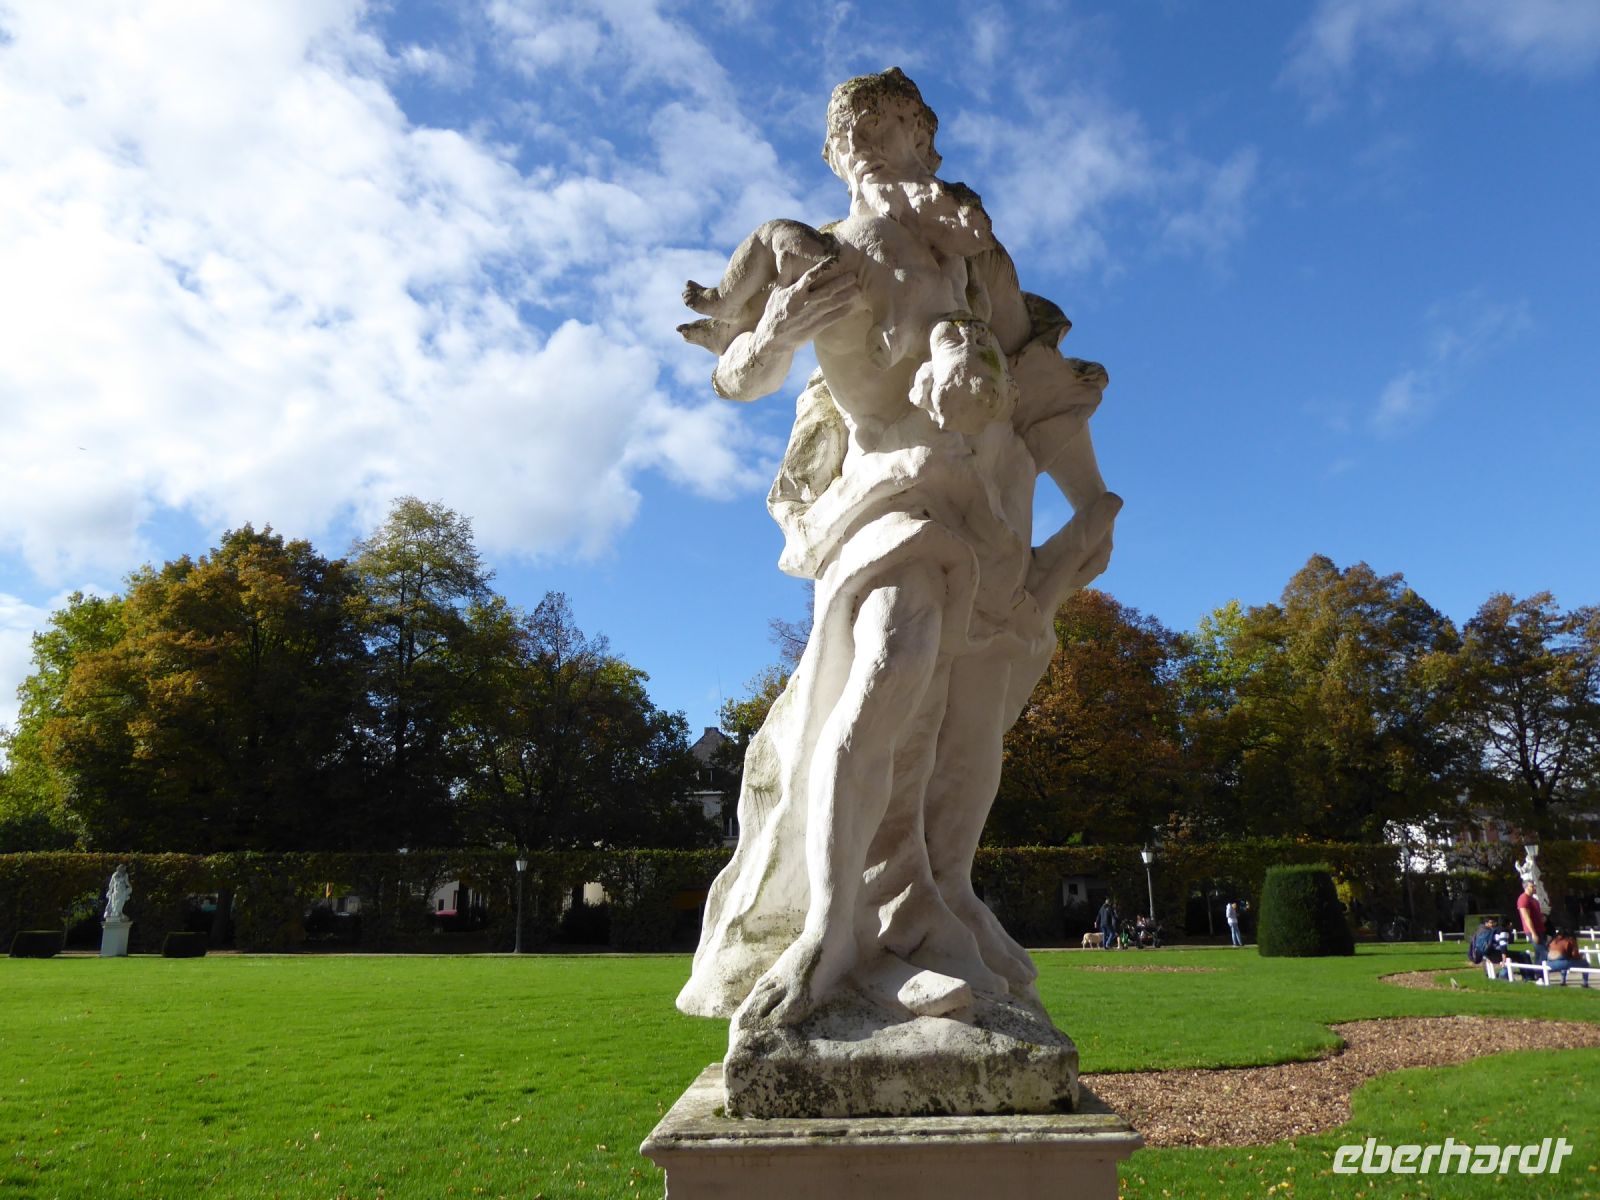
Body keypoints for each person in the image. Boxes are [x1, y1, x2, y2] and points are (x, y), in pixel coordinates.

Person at [675, 69, 1119, 1030]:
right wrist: (778, 327)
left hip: (980, 513)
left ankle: (933, 904)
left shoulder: (970, 258)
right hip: (884, 498)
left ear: (929, 145)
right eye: (857, 130)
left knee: (967, 727)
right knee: (888, 666)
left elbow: (1038, 384)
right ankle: (837, 932)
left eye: (899, 125)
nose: (876, 140)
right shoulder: (817, 252)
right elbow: (734, 376)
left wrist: (1088, 509)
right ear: (835, 155)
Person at [1517, 879, 1546, 953]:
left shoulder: (1534, 900)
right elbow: (1526, 917)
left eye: (1534, 886)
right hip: (1533, 931)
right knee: (1543, 954)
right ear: (1526, 887)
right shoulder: (1523, 899)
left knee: (1541, 955)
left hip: (1540, 930)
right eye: (1532, 886)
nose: (1534, 888)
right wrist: (1533, 933)